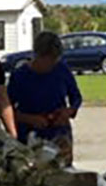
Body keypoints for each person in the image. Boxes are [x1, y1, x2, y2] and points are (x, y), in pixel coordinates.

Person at [7, 31, 82, 163]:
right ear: (37, 55)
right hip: (29, 136)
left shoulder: (61, 70)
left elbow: (76, 97)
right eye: (47, 59)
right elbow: (7, 109)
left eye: (55, 59)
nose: (51, 64)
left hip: (59, 134)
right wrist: (30, 119)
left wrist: (69, 111)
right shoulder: (20, 76)